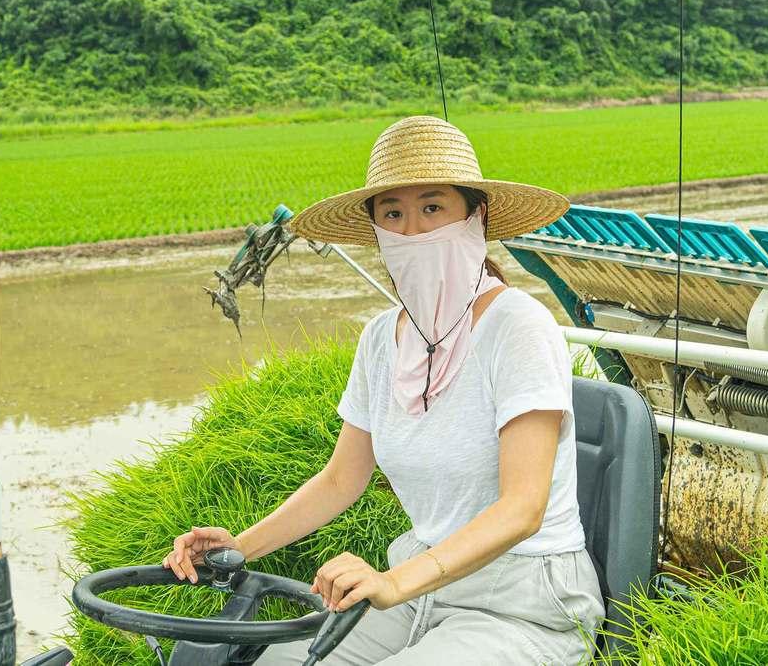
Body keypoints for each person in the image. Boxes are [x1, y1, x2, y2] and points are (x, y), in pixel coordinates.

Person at [163, 115, 604, 664]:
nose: (413, 230)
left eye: (433, 207)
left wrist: (394, 583)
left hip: (524, 601)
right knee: (274, 660)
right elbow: (341, 478)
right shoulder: (381, 337)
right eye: (393, 213)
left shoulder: (519, 327)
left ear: (476, 215)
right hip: (421, 585)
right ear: (376, 230)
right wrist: (238, 547)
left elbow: (522, 509)